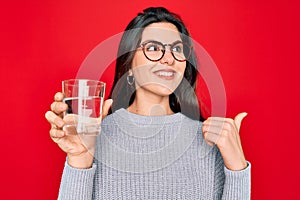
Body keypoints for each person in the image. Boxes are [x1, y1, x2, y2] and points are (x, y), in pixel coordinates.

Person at [45, 7, 251, 199]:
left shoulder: (211, 141)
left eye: (177, 49)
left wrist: (237, 168)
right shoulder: (93, 134)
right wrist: (80, 157)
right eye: (153, 47)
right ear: (129, 64)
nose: (168, 59)